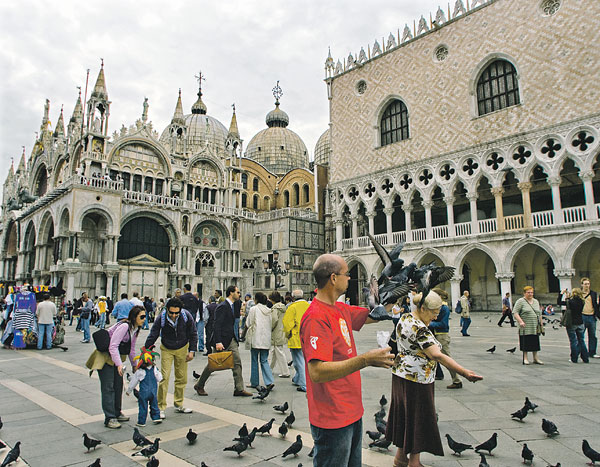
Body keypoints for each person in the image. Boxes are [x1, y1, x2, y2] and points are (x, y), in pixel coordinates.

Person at [300, 254, 395, 467]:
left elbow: (376, 314)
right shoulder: (316, 317)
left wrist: (399, 288)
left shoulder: (340, 308)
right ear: (333, 278)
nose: (350, 278)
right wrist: (365, 360)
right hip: (331, 416)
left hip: (351, 410)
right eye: (346, 274)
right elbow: (317, 371)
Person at [386, 291, 482, 467]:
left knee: (406, 416)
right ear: (423, 308)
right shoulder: (420, 329)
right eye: (433, 313)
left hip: (401, 375)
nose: (434, 317)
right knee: (418, 418)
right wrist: (464, 372)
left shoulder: (406, 318)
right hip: (418, 379)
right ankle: (414, 463)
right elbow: (437, 355)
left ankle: (400, 458)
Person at [86, 305, 144, 428]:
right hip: (105, 358)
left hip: (115, 358)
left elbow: (131, 349)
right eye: (142, 317)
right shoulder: (124, 326)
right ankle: (110, 417)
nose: (144, 319)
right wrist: (119, 365)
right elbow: (113, 346)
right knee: (108, 387)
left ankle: (117, 412)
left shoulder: (135, 329)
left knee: (118, 386)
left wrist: (135, 365)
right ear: (134, 317)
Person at [194, 285, 252, 397]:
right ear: (231, 293)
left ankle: (239, 389)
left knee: (237, 363)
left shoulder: (233, 305)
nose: (239, 294)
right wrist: (218, 341)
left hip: (231, 339)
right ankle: (199, 384)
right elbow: (217, 325)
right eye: (237, 292)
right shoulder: (222, 306)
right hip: (222, 340)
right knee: (213, 364)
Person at [145, 297, 197, 418]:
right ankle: (160, 407)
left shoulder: (186, 316)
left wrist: (192, 351)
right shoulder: (162, 318)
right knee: (164, 376)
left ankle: (179, 404)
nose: (174, 315)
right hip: (167, 348)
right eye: (171, 313)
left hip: (182, 347)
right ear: (167, 309)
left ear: (180, 311)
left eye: (176, 313)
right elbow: (154, 333)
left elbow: (193, 333)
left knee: (181, 377)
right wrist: (147, 349)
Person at [428, 288, 462, 389]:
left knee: (447, 359)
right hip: (437, 335)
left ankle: (457, 380)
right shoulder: (439, 307)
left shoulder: (444, 308)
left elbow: (443, 324)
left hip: (442, 336)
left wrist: (430, 323)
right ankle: (437, 374)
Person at [245, 292, 277, 389]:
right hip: (266, 338)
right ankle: (269, 381)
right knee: (264, 360)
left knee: (254, 360)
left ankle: (254, 382)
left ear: (256, 299)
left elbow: (248, 323)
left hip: (255, 337)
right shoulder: (269, 311)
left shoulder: (253, 309)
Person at [126, 346, 163, 426]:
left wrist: (129, 391)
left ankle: (141, 422)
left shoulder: (140, 371)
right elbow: (159, 378)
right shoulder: (154, 369)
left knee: (143, 407)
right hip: (153, 392)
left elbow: (133, 382)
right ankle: (156, 417)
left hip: (143, 393)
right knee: (154, 405)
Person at [282, 289, 309, 392]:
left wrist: (288, 335)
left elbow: (287, 324)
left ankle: (304, 384)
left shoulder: (292, 307)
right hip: (308, 337)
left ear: (293, 297)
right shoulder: (309, 306)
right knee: (303, 360)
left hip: (296, 337)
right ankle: (297, 379)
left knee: (298, 361)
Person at [513, 286, 544, 365]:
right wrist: (520, 321)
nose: (530, 294)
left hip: (535, 325)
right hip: (525, 326)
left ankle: (535, 358)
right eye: (528, 292)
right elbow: (515, 312)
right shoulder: (520, 301)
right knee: (525, 341)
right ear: (524, 293)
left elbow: (539, 313)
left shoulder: (536, 301)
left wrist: (541, 324)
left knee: (535, 341)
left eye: (532, 292)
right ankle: (525, 358)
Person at [558, 288, 589, 363]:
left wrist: (561, 293)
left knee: (573, 341)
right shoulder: (582, 301)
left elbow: (559, 302)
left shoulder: (570, 302)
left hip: (572, 322)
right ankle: (585, 358)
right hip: (580, 322)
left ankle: (574, 358)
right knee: (581, 340)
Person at [269, 291, 290, 378]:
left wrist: (270, 328)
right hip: (281, 330)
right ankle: (269, 369)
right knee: (275, 351)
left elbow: (274, 320)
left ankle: (285, 371)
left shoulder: (275, 309)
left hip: (276, 332)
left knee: (278, 351)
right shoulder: (283, 307)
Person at [580, 277, 600, 358]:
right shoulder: (580, 294)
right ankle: (581, 352)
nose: (587, 286)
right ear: (582, 285)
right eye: (585, 284)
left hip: (591, 316)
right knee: (581, 335)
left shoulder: (593, 293)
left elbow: (595, 305)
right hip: (583, 316)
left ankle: (592, 352)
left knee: (593, 335)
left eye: (588, 284)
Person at [180, 284, 202, 351]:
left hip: (184, 317)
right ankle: (192, 348)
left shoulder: (182, 297)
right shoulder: (195, 298)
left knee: (183, 332)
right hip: (193, 316)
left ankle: (184, 347)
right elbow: (197, 307)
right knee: (192, 332)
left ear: (184, 289)